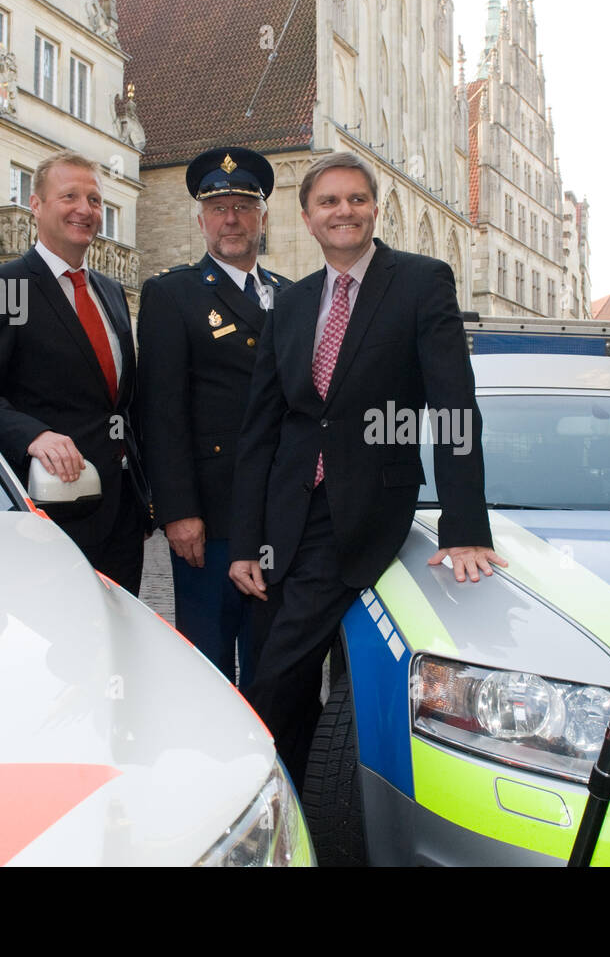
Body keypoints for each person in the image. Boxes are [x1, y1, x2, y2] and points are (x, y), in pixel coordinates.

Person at [228, 151, 506, 787]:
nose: (343, 212)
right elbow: (261, 430)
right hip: (283, 515)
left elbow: (454, 409)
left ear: (375, 209)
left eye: (355, 199)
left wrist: (466, 529)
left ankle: (245, 795)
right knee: (283, 677)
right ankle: (293, 805)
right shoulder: (290, 304)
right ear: (306, 217)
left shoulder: (420, 282)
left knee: (271, 679)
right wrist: (245, 541)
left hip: (360, 511)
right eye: (328, 202)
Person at [0, 150, 150, 593]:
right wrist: (33, 436)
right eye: (70, 196)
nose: (85, 209)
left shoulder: (111, 291)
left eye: (95, 200)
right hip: (51, 510)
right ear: (36, 205)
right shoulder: (4, 286)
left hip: (121, 514)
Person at [136, 147, 288, 684]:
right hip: (211, 517)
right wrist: (177, 510)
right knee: (210, 663)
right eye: (219, 207)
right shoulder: (172, 293)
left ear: (263, 217)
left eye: (244, 207)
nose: (232, 218)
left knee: (275, 664)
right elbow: (160, 411)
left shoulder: (292, 296)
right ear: (200, 219)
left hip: (281, 510)